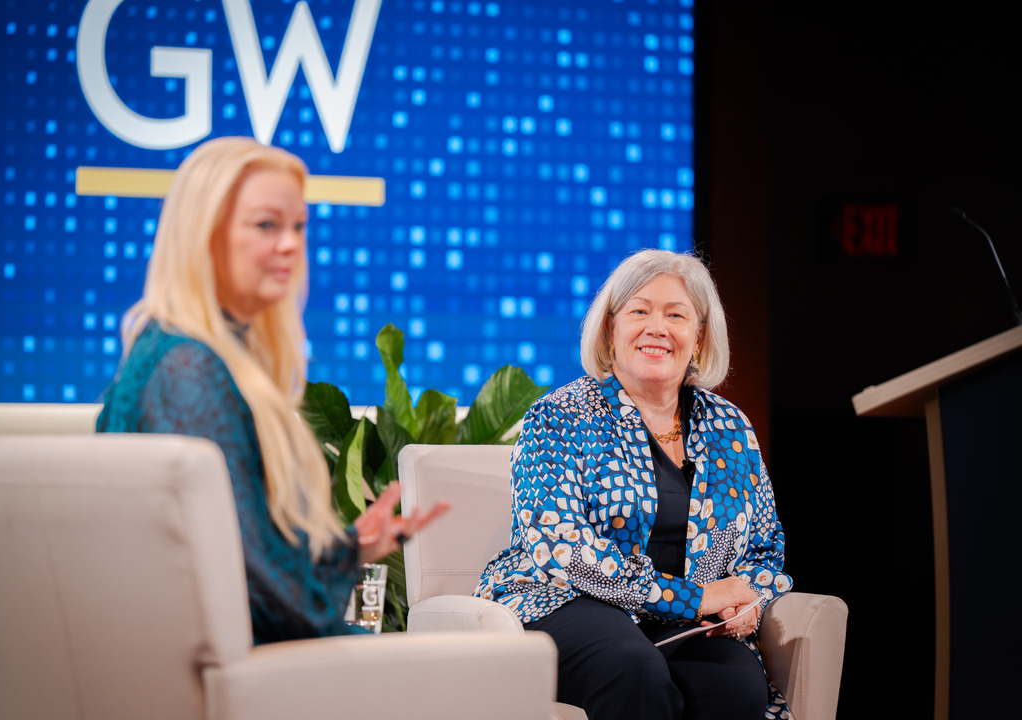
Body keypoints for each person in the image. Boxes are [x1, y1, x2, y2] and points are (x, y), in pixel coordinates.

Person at [97, 136, 447, 644]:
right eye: (266, 225)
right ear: (204, 234)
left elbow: (242, 552)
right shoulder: (189, 370)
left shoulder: (169, 349)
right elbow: (261, 592)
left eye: (298, 227)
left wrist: (352, 549)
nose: (290, 245)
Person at [474, 249, 793, 720]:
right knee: (632, 667)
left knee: (736, 687)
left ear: (699, 336)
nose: (656, 327)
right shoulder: (558, 416)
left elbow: (765, 547)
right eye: (639, 311)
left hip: (681, 621)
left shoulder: (730, 427)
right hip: (563, 599)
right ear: (610, 329)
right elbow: (562, 548)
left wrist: (748, 601)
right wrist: (695, 598)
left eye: (676, 315)